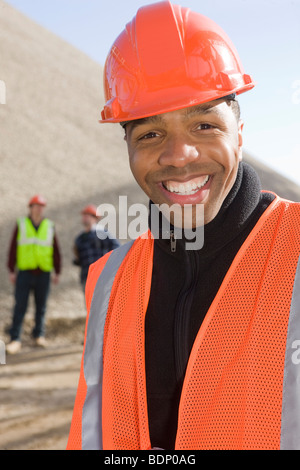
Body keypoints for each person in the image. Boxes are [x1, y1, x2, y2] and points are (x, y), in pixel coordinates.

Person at [67, 1, 300, 450]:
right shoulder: (106, 283)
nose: (179, 155)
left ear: (239, 132)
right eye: (150, 135)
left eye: (203, 125)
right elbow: (90, 431)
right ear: (128, 149)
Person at [6, 194, 61, 354]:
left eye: (41, 206)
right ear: (30, 208)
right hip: (25, 272)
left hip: (44, 272)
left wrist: (57, 271)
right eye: (36, 205)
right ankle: (15, 339)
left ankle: (39, 336)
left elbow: (55, 250)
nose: (39, 209)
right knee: (20, 305)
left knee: (41, 306)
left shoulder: (49, 225)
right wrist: (11, 269)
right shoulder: (21, 224)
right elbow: (13, 248)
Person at [73, 204, 120, 291]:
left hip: (102, 276)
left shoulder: (102, 233)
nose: (84, 218)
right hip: (86, 277)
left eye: (87, 215)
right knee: (89, 304)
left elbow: (117, 248)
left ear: (94, 218)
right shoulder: (79, 238)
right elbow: (78, 259)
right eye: (84, 215)